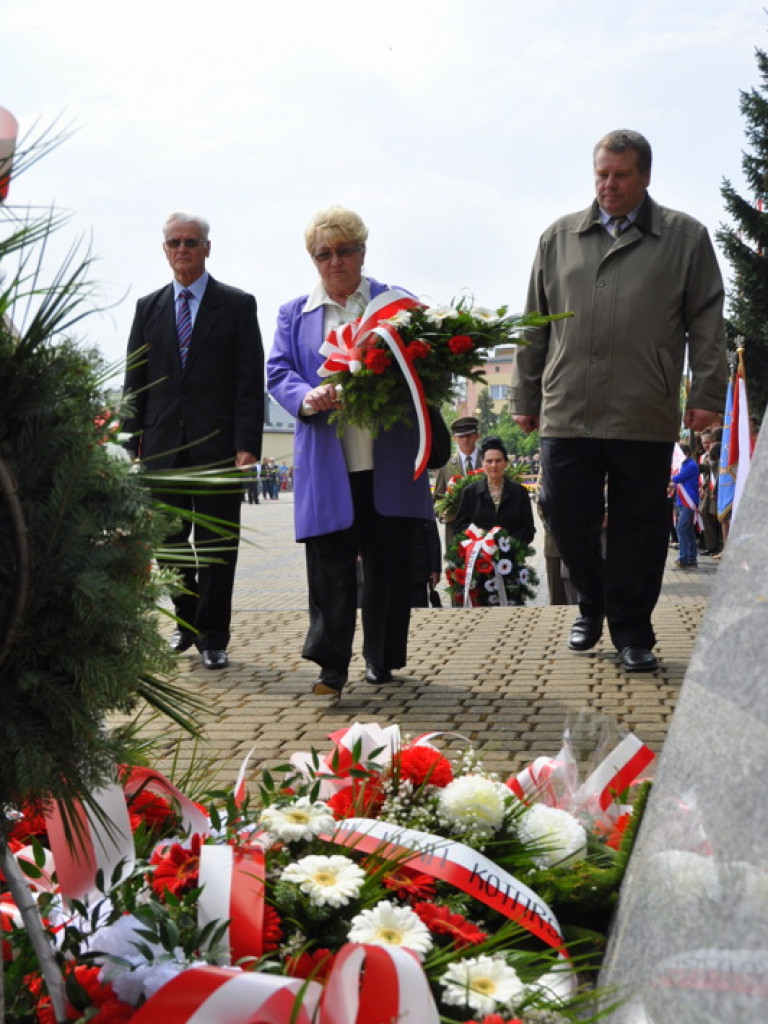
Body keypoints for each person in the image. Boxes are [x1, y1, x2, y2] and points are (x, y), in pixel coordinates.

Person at [511, 129, 727, 673]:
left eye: (621, 175)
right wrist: (525, 393)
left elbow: (707, 321)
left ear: (646, 177)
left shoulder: (685, 238)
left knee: (641, 525)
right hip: (567, 406)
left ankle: (633, 631)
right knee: (562, 509)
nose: (608, 185)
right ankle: (592, 602)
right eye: (602, 174)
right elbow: (533, 324)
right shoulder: (557, 238)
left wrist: (705, 393)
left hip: (644, 407)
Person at [266, 205, 434, 696]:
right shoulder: (294, 313)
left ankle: (382, 660)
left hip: (389, 459)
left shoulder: (395, 304)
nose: (335, 261)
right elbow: (278, 371)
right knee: (329, 567)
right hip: (327, 460)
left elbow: (424, 362)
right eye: (324, 254)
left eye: (344, 251)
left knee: (387, 567)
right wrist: (305, 396)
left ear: (362, 251)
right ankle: (331, 665)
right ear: (312, 259)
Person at [123, 212, 264, 670]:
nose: (182, 249)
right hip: (162, 449)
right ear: (164, 250)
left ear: (207, 247)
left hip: (219, 448)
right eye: (174, 243)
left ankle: (214, 636)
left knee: (217, 544)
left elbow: (248, 381)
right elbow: (135, 381)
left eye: (190, 242)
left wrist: (248, 445)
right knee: (168, 545)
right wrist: (130, 445)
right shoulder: (148, 308)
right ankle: (187, 623)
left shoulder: (238, 306)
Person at [453, 436, 535, 544]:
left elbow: (528, 530)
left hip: (510, 556)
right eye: (489, 461)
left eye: (498, 460)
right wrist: (479, 535)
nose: (494, 465)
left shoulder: (520, 493)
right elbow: (459, 527)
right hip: (479, 556)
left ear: (506, 463)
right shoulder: (470, 492)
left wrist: (509, 542)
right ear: (483, 463)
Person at [432, 415, 482, 549]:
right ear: (454, 438)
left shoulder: (489, 461)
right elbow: (438, 498)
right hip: (455, 532)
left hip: (485, 531)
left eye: (469, 435)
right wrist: (443, 513)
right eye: (461, 436)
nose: (465, 440)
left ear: (477, 436)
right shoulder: (445, 465)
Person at [671, 443, 700, 570]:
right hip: (682, 501)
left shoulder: (691, 465)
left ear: (687, 454)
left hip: (688, 501)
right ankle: (690, 558)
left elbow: (678, 478)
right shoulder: (683, 465)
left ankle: (684, 557)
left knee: (681, 528)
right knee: (687, 531)